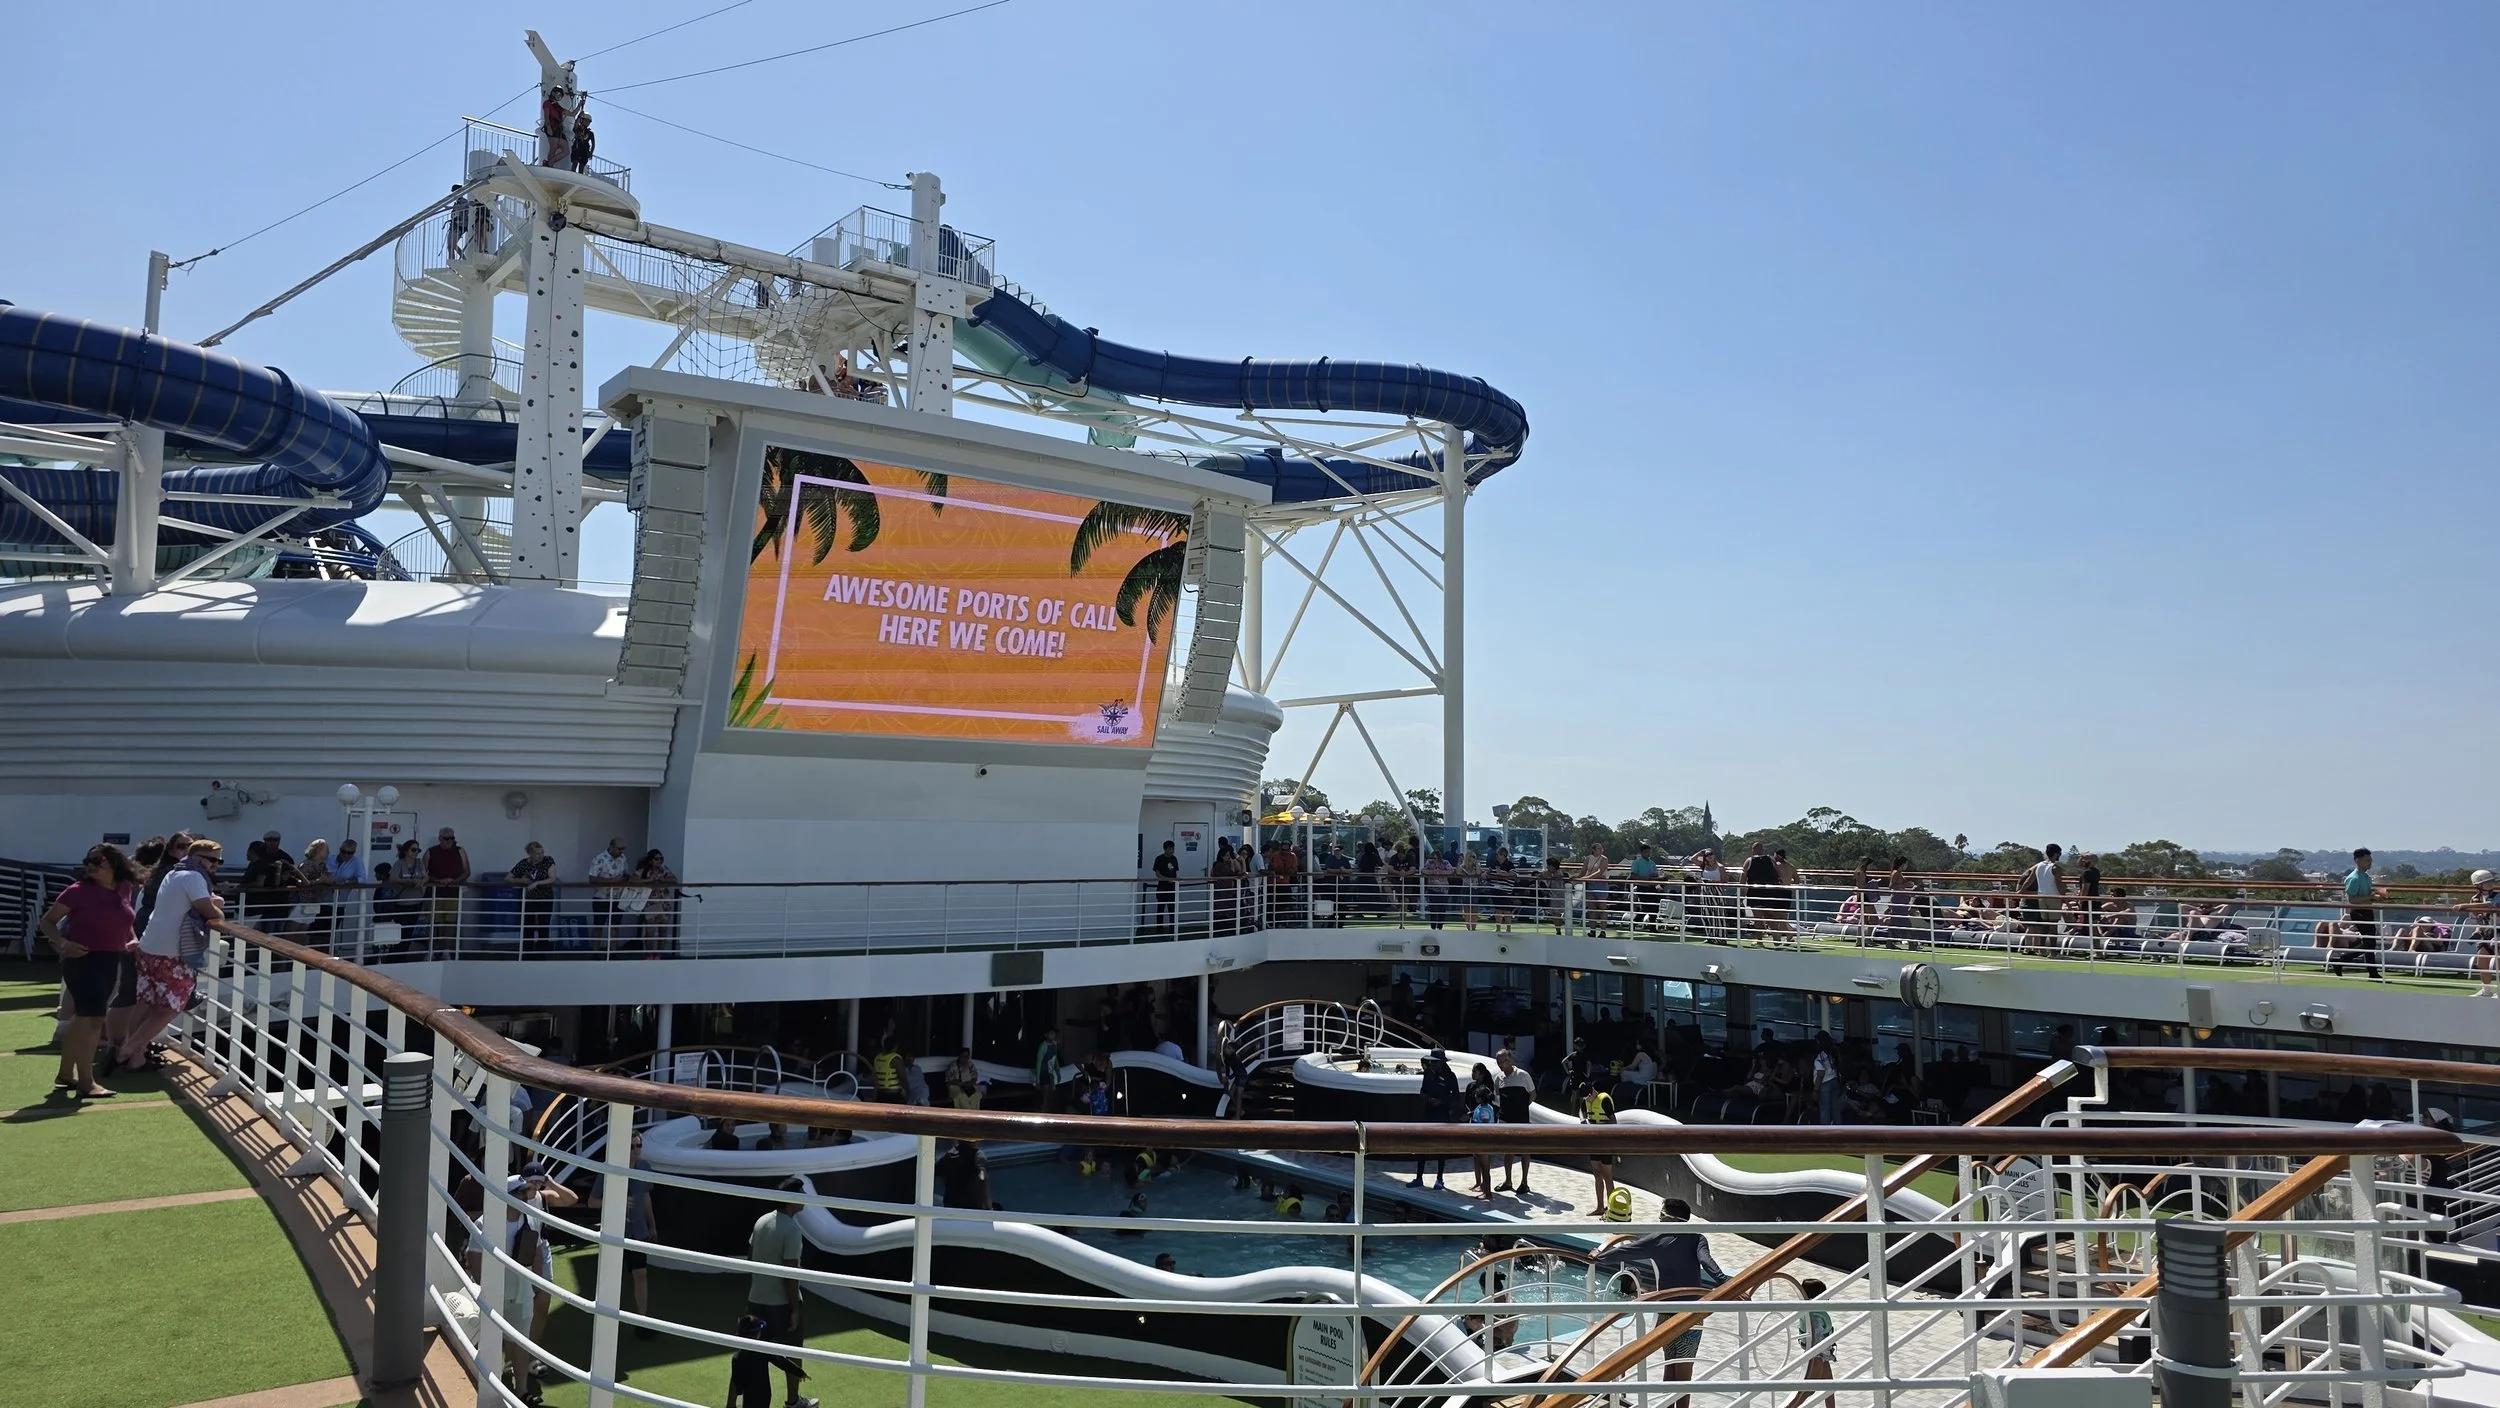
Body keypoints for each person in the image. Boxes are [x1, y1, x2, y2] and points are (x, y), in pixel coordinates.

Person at [1593, 1198, 1726, 1408]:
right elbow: (1707, 1262)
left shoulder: (1656, 1240)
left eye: (1661, 1215)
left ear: (1670, 1218)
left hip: (1667, 1314)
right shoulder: (1696, 1238)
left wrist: (1599, 1256)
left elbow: (1626, 1251)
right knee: (1682, 1373)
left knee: (1671, 1369)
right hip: (1690, 1316)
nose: (1659, 1218)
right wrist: (1726, 1283)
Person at [40, 843, 141, 1098]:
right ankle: (86, 1082)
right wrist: (64, 943)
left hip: (111, 959)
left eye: (98, 862)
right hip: (82, 960)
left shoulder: (123, 888)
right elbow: (47, 922)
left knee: (84, 1017)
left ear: (113, 864)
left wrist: (133, 938)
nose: (91, 866)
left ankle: (66, 1074)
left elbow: (125, 920)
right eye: (88, 861)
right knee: (93, 1018)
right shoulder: (77, 892)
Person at [115, 838, 223, 1070]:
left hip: (149, 946)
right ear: (196, 858)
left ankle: (135, 1056)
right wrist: (219, 909)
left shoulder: (174, 873)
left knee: (147, 1001)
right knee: (174, 1004)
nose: (215, 865)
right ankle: (131, 1047)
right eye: (212, 860)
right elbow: (207, 910)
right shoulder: (193, 877)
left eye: (219, 861)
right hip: (170, 951)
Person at [748, 1178, 820, 1408]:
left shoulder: (761, 1221)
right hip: (780, 1305)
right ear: (792, 1200)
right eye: (801, 1194)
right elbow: (790, 1275)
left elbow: (751, 1257)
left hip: (756, 1300)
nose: (804, 1198)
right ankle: (793, 1402)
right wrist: (794, 1309)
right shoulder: (791, 1230)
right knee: (792, 1353)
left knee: (757, 1355)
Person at [1412, 1048, 1459, 1190]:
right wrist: (1427, 1098)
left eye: (1434, 1062)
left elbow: (1456, 1097)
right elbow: (1422, 1091)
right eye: (1431, 1062)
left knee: (1441, 1147)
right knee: (1422, 1146)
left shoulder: (1450, 1076)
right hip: (1428, 1114)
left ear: (1441, 1063)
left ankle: (1440, 1179)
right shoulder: (1428, 1073)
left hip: (1442, 1115)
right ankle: (1419, 1177)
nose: (1432, 1065)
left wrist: (1441, 1102)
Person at [2335, 848, 2385, 979]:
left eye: (2370, 860)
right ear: (2358, 861)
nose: (2370, 863)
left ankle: (2372, 972)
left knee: (2370, 942)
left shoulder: (2366, 877)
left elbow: (2366, 895)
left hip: (2367, 911)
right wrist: (2371, 897)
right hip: (2359, 912)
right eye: (2367, 860)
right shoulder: (2354, 878)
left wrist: (2375, 895)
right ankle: (2342, 960)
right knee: (2369, 943)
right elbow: (2352, 900)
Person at [1494, 1046, 1536, 1194]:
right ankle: (1508, 1180)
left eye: (1504, 1061)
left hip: (1522, 1120)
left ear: (1510, 1060)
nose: (1502, 1064)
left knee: (1525, 1151)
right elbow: (1498, 1097)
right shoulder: (1498, 1078)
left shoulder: (1523, 1075)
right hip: (1506, 1120)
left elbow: (1533, 1094)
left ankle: (1524, 1182)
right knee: (1508, 1151)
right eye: (1499, 1061)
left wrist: (1522, 1107)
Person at [1790, 1279, 1837, 1408]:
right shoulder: (1816, 1315)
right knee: (1808, 1390)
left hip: (1823, 1355)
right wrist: (1820, 1357)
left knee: (1830, 1387)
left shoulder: (1809, 1310)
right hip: (1818, 1356)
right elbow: (1817, 1340)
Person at [426, 827, 472, 950]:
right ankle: (433, 949)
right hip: (435, 893)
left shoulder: (460, 851)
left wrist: (453, 881)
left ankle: (446, 950)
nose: (449, 841)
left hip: (453, 893)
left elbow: (467, 871)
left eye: (452, 838)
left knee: (450, 923)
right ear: (440, 838)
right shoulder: (431, 852)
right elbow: (424, 873)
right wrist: (438, 881)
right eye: (446, 838)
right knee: (434, 923)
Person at [1581, 1080, 1619, 1214]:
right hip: (1594, 1142)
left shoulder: (1604, 1100)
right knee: (1597, 1174)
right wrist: (1583, 1120)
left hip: (1605, 1142)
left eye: (1587, 1096)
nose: (1586, 1099)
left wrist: (1599, 1128)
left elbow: (1614, 1121)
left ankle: (1612, 1208)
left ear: (1592, 1092)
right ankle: (1600, 1207)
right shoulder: (1586, 1100)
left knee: (1607, 1175)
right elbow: (1582, 1111)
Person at [509, 842, 558, 947]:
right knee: (528, 925)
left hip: (545, 897)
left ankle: (542, 954)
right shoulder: (523, 863)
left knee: (544, 925)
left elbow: (552, 878)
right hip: (529, 898)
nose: (541, 855)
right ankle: (527, 953)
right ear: (529, 853)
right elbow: (508, 878)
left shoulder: (548, 860)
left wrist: (537, 883)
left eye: (542, 852)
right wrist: (521, 880)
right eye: (537, 853)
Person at [587, 837, 632, 949]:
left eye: (623, 849)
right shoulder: (599, 859)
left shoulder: (623, 858)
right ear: (611, 847)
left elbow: (627, 874)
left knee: (615, 926)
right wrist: (612, 881)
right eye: (619, 848)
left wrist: (624, 879)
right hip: (601, 898)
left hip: (618, 898)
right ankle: (595, 953)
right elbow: (592, 879)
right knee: (598, 926)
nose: (621, 851)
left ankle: (613, 953)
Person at [2023, 844, 2064, 950]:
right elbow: (2060, 885)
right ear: (2056, 854)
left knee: (2045, 925)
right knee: (2053, 925)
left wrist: (2021, 891)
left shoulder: (2039, 865)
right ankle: (2053, 952)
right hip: (2053, 898)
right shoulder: (2056, 868)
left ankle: (2041, 949)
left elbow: (2029, 880)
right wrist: (2065, 900)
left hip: (2041, 897)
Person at [1150, 840, 1180, 934]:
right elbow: (1157, 873)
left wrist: (1176, 880)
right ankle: (1159, 931)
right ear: (1165, 849)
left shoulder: (1174, 859)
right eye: (1170, 849)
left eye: (1173, 849)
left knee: (1172, 910)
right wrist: (1166, 879)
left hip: (1172, 889)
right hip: (1162, 888)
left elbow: (1175, 872)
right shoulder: (1159, 859)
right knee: (1160, 910)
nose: (1172, 851)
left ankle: (1173, 931)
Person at [1812, 1036, 1841, 1123]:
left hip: (1825, 1084)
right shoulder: (1832, 1053)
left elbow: (1820, 1074)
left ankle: (1825, 1131)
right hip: (1834, 1080)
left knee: (1825, 1109)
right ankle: (1839, 1129)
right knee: (1835, 1109)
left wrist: (1815, 1090)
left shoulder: (1820, 1056)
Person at [1033, 1026, 1063, 1109]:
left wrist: (1058, 1072)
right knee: (1045, 1099)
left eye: (1054, 1034)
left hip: (1050, 1074)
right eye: (1051, 1034)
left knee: (1051, 1097)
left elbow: (1055, 1059)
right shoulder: (1043, 1046)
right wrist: (1037, 1081)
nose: (1053, 1036)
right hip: (1043, 1073)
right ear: (1046, 1035)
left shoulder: (1054, 1045)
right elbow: (1038, 1063)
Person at [568, 107, 595, 173]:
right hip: (577, 148)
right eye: (586, 121)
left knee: (582, 166)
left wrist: (591, 152)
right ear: (582, 120)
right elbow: (575, 125)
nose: (587, 123)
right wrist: (579, 116)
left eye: (588, 122)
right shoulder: (578, 129)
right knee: (575, 163)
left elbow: (593, 144)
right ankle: (572, 174)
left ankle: (579, 176)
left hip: (585, 150)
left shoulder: (590, 133)